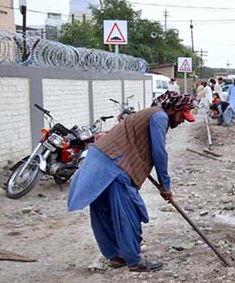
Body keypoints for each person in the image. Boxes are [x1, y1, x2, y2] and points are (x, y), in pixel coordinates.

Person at [67, 91, 195, 272]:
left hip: (101, 160)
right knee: (128, 213)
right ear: (173, 109)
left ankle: (116, 256)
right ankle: (134, 260)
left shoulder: (152, 113)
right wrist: (165, 186)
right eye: (183, 114)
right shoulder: (159, 116)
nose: (183, 120)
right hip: (115, 165)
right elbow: (159, 153)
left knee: (104, 210)